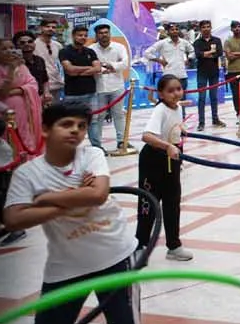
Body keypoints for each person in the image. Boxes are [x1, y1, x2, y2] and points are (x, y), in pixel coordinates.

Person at [0, 100, 148, 324]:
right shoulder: (28, 174)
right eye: (66, 124)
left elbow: (97, 195)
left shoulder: (91, 154)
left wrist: (45, 199)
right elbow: (14, 219)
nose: (75, 131)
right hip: (66, 267)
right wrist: (74, 196)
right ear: (45, 129)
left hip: (115, 256)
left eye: (81, 126)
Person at [137, 73, 192, 261]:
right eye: (170, 91)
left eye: (178, 89)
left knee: (172, 204)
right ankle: (140, 246)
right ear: (160, 94)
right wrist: (168, 146)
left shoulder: (176, 107)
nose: (176, 93)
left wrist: (180, 129)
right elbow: (147, 136)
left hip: (171, 161)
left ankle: (174, 246)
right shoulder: (159, 110)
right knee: (148, 205)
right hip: (153, 161)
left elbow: (172, 126)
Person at [0, 39, 44, 156]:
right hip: (4, 111)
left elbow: (33, 84)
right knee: (9, 137)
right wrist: (11, 70)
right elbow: (2, 93)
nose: (9, 51)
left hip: (25, 109)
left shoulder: (21, 66)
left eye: (11, 48)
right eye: (4, 49)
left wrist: (19, 90)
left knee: (25, 134)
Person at [88, 24, 130, 151]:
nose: (104, 35)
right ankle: (97, 146)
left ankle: (122, 141)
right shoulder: (91, 49)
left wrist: (107, 65)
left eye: (106, 32)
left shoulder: (119, 47)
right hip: (99, 87)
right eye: (101, 33)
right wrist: (104, 69)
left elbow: (125, 63)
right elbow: (90, 66)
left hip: (117, 86)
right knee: (98, 117)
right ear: (96, 35)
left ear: (110, 34)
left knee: (119, 115)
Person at [188, 21, 225, 128]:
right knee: (202, 98)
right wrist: (209, 53)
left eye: (208, 27)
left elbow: (219, 53)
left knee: (214, 97)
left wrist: (205, 54)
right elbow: (198, 55)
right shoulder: (197, 42)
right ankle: (201, 122)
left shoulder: (217, 40)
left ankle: (215, 119)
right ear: (200, 29)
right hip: (202, 73)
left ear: (211, 28)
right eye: (204, 27)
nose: (206, 29)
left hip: (214, 72)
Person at [32, 23, 66, 104]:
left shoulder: (58, 45)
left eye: (53, 27)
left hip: (57, 83)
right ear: (41, 28)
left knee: (56, 112)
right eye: (47, 26)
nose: (50, 29)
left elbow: (60, 64)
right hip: (41, 85)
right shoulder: (33, 45)